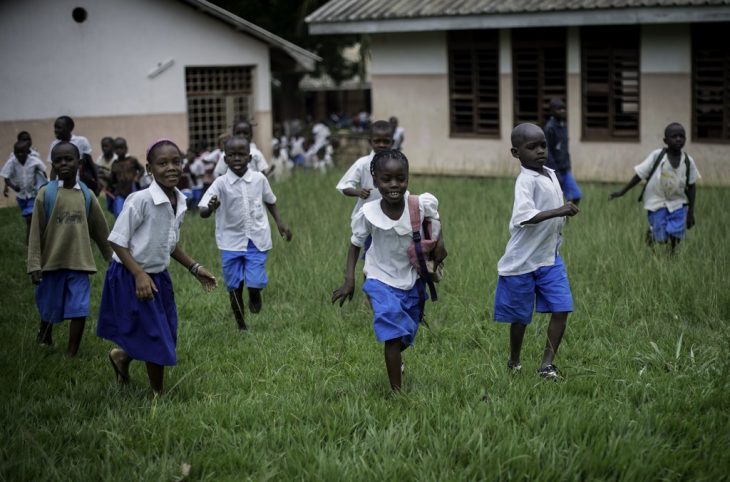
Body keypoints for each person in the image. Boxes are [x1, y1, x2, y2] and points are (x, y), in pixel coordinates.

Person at [97, 139, 217, 396]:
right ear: (149, 169)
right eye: (162, 163)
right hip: (132, 275)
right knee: (156, 335)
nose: (171, 167)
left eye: (176, 162)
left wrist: (195, 268)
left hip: (158, 277)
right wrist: (139, 274)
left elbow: (169, 244)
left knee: (164, 332)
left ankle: (121, 357)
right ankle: (158, 394)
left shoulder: (181, 201)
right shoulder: (139, 200)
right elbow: (117, 241)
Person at [332, 150, 446, 391]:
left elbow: (434, 219)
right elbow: (355, 244)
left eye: (401, 178)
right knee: (393, 333)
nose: (394, 185)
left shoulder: (419, 204)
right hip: (379, 278)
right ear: (375, 181)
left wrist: (440, 244)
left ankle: (395, 355)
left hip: (412, 279)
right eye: (387, 179)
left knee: (407, 331)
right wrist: (349, 279)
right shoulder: (368, 213)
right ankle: (397, 392)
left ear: (408, 177)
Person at [493, 123, 579, 381]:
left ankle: (546, 366)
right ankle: (514, 361)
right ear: (515, 152)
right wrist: (560, 210)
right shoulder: (525, 182)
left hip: (549, 258)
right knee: (520, 317)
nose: (540, 150)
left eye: (543, 145)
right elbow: (524, 217)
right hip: (522, 262)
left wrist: (560, 212)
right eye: (532, 147)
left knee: (562, 307)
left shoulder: (550, 174)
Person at [27, 141, 113, 355]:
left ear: (80, 163)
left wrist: (112, 258)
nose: (64, 163)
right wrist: (34, 264)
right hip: (51, 263)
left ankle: (71, 352)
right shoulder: (45, 194)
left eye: (69, 159)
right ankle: (45, 336)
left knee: (79, 308)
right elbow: (35, 233)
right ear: (53, 165)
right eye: (58, 160)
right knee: (48, 305)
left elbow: (101, 231)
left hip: (80, 262)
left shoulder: (86, 195)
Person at [199, 137, 292, 331]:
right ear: (225, 159)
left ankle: (255, 292)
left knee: (255, 280)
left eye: (241, 154)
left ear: (249, 157)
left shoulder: (259, 179)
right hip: (229, 242)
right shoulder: (220, 183)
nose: (237, 158)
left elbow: (270, 201)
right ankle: (241, 325)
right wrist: (210, 208)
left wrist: (280, 224)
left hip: (256, 239)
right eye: (231, 155)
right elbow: (203, 210)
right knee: (234, 287)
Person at [610, 122, 699, 253]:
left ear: (685, 139)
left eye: (681, 136)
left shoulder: (688, 161)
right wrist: (622, 191)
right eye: (674, 136)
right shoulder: (657, 156)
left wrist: (691, 211)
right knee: (661, 237)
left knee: (676, 233)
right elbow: (639, 175)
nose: (678, 139)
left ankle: (671, 255)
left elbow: (691, 186)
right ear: (665, 140)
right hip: (657, 202)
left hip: (678, 203)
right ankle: (651, 234)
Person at [336, 120, 395, 221]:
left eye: (386, 141)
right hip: (366, 218)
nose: (381, 145)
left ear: (392, 142)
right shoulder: (362, 163)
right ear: (370, 142)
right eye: (377, 141)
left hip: (390, 217)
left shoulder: (397, 163)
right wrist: (358, 192)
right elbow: (344, 186)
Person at [2, 140, 48, 242]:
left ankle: (30, 240)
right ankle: (36, 233)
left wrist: (45, 184)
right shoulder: (12, 162)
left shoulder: (34, 160)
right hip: (21, 196)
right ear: (14, 153)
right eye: (17, 152)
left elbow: (43, 171)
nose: (19, 155)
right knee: (29, 217)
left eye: (22, 152)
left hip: (32, 194)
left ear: (28, 152)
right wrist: (13, 187)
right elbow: (6, 177)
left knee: (30, 218)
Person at [48, 116, 99, 194]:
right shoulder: (54, 145)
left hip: (79, 182)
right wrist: (51, 186)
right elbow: (54, 169)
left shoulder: (81, 141)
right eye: (55, 128)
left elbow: (90, 163)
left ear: (70, 128)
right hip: (61, 184)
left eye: (59, 128)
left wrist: (97, 181)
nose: (56, 130)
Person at [544, 98, 582, 205]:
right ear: (552, 111)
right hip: (555, 171)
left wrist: (568, 163)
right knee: (556, 199)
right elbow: (547, 151)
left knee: (576, 195)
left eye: (563, 108)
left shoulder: (563, 126)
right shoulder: (549, 128)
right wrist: (554, 171)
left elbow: (564, 148)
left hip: (565, 169)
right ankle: (558, 220)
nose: (562, 111)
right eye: (559, 109)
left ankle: (566, 219)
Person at [108, 137, 145, 217]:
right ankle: (120, 228)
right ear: (114, 150)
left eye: (121, 148)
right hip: (120, 191)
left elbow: (142, 169)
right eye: (117, 148)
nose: (119, 150)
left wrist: (137, 178)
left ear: (126, 149)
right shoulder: (115, 164)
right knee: (119, 212)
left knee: (135, 210)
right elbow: (112, 180)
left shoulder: (132, 160)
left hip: (132, 190)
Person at [95, 137, 117, 213]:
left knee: (114, 207)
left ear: (113, 147)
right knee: (108, 207)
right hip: (104, 188)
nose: (104, 148)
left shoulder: (116, 159)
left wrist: (104, 176)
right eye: (103, 146)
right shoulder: (100, 159)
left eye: (106, 146)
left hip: (115, 188)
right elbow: (97, 173)